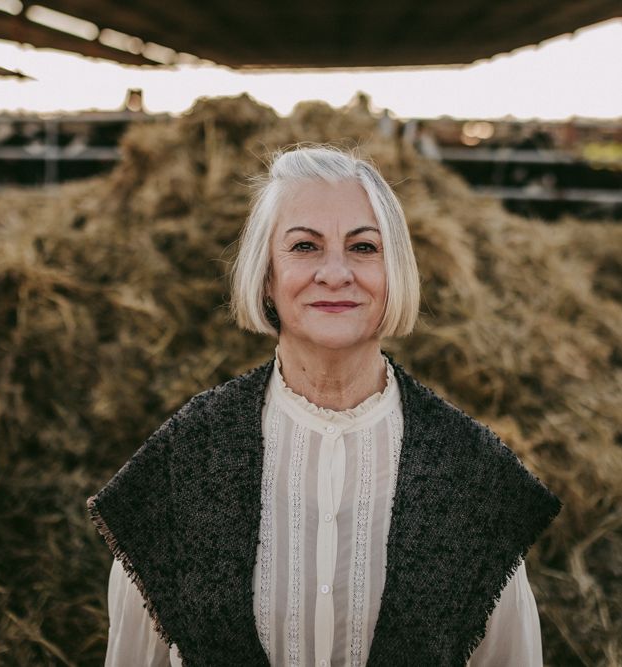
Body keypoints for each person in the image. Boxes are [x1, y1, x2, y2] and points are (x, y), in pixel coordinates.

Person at [87, 145, 561, 667]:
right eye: (305, 246)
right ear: (266, 275)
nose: (335, 273)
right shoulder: (185, 460)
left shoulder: (471, 473)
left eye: (362, 248)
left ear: (394, 271)